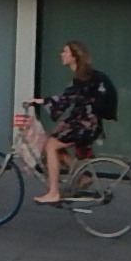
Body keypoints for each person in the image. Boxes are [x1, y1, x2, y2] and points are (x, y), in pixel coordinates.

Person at [29, 40, 116, 204]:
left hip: (84, 125)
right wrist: (42, 101)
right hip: (88, 123)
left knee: (51, 146)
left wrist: (44, 102)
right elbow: (67, 97)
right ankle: (82, 178)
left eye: (65, 51)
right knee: (55, 147)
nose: (62, 54)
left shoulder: (81, 79)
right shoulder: (87, 76)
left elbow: (63, 102)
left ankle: (53, 193)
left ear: (74, 56)